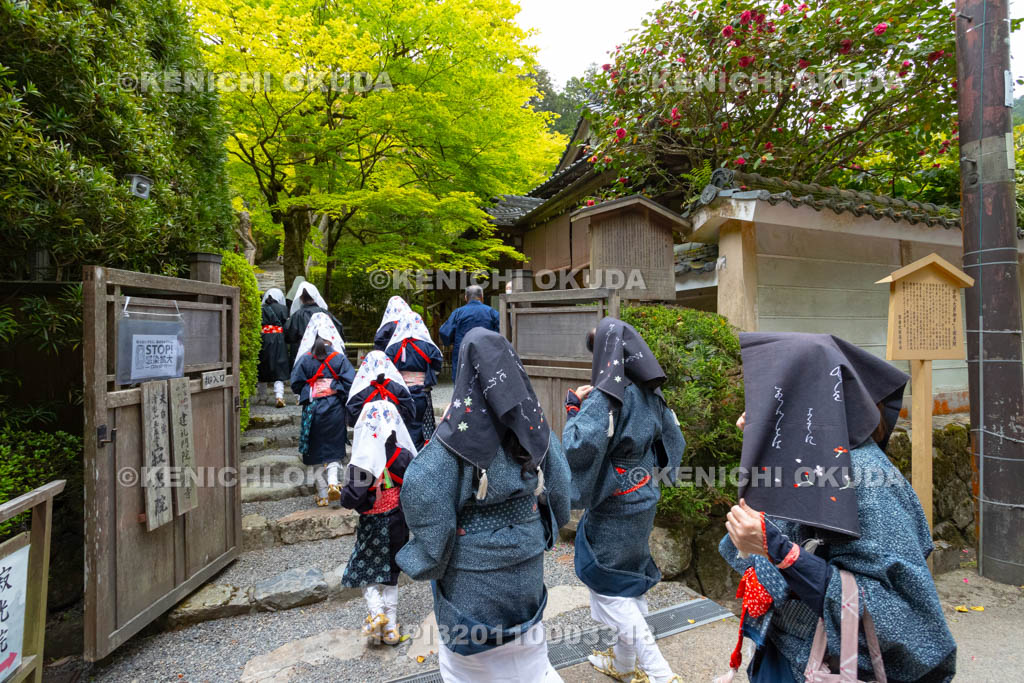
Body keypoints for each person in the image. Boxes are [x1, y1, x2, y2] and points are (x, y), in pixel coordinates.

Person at [715, 332, 956, 682]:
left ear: (808, 398)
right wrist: (762, 445)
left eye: (775, 394)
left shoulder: (866, 476)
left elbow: (901, 614)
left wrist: (780, 551)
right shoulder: (806, 457)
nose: (761, 403)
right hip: (781, 646)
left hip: (820, 663)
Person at [397, 328, 571, 682]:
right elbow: (562, 483)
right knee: (533, 662)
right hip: (527, 562)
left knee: (468, 671)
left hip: (472, 578)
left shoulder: (455, 439)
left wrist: (428, 558)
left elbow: (421, 491)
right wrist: (546, 529)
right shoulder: (534, 426)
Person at [562, 317, 686, 683]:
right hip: (643, 489)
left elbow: (579, 445)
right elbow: (671, 439)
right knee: (625, 577)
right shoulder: (650, 389)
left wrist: (573, 408)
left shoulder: (608, 395)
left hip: (615, 497)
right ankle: (625, 664)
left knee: (607, 584)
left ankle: (661, 674)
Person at [341, 399, 418, 646]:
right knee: (391, 572)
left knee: (364, 569)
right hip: (398, 520)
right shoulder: (402, 454)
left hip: (372, 523)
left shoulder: (363, 461)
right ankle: (392, 627)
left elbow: (349, 499)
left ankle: (377, 615)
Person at [290, 313, 355, 508]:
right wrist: (334, 387)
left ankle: (322, 493)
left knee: (315, 451)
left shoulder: (305, 359)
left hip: (313, 410)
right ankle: (334, 483)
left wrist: (312, 388)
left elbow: (295, 384)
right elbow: (350, 382)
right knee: (334, 448)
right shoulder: (339, 359)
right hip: (334, 408)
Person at [384, 306, 443, 449]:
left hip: (399, 393)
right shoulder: (428, 347)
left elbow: (387, 368)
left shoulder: (393, 348)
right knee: (422, 426)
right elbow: (437, 363)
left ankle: (401, 458)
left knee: (401, 424)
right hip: (422, 392)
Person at [439, 285, 499, 381]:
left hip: (462, 349)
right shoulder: (491, 312)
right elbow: (501, 329)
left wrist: (451, 341)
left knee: (462, 379)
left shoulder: (458, 312)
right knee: (486, 379)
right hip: (486, 350)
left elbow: (444, 331)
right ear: (482, 297)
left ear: (466, 297)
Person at [345, 350, 415, 427]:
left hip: (368, 432)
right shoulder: (397, 387)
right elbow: (410, 412)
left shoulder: (361, 389)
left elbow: (352, 416)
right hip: (394, 432)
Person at [285, 281, 344, 366]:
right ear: (315, 295)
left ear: (300, 298)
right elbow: (338, 330)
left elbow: (289, 336)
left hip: (303, 353)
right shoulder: (325, 313)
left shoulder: (297, 315)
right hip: (325, 352)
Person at [258, 288, 290, 408]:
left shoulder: (260, 309)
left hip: (263, 338)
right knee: (279, 366)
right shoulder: (283, 309)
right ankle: (279, 396)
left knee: (262, 366)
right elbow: (287, 326)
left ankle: (262, 397)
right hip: (278, 340)